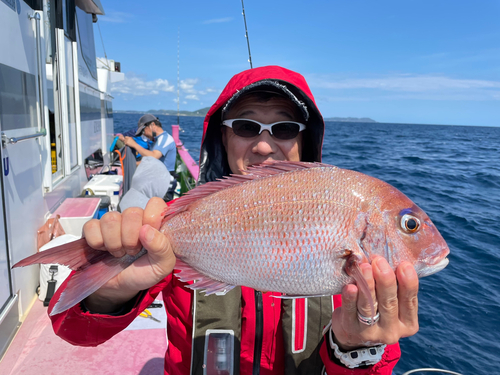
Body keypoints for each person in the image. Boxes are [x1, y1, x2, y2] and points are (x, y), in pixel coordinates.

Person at [49, 66, 419, 374]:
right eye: (245, 127)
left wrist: (357, 347)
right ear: (221, 139)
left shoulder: (357, 260)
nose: (262, 145)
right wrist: (108, 293)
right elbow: (77, 333)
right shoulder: (178, 223)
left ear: (306, 141)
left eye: (284, 128)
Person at [119, 114, 178, 200]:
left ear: (152, 125)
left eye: (143, 131)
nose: (144, 134)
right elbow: (151, 161)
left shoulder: (166, 139)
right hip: (156, 181)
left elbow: (154, 156)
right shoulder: (156, 141)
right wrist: (132, 164)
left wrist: (134, 144)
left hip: (165, 184)